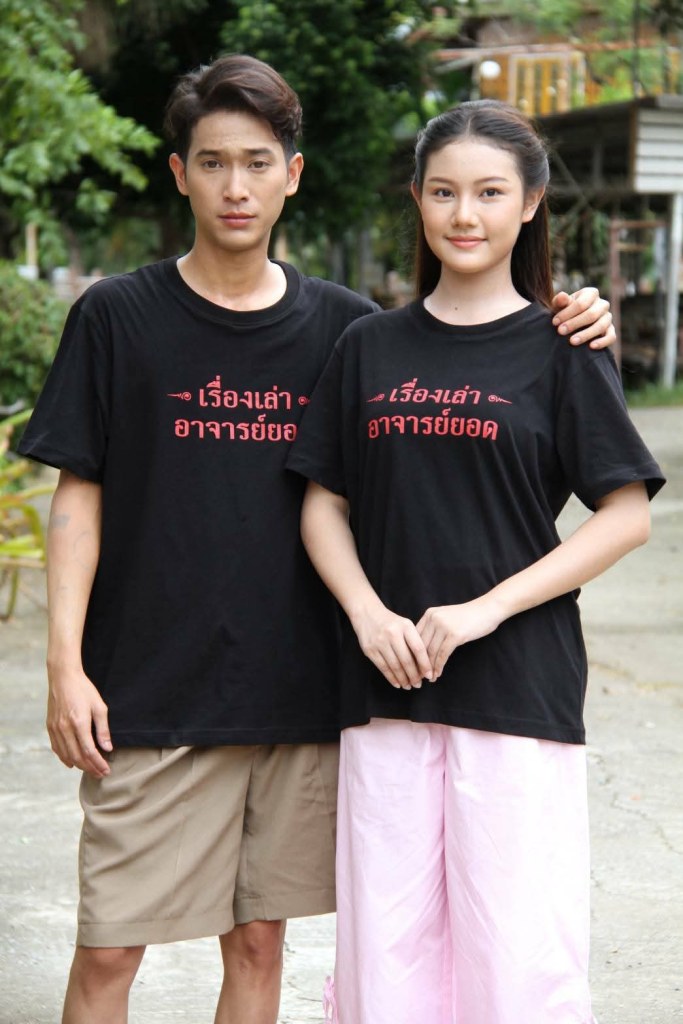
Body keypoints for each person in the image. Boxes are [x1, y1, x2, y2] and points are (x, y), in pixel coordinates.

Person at [18, 52, 615, 1024]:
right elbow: (77, 498)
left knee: (261, 945)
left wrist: (574, 312)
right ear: (178, 174)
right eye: (213, 163)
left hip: (304, 695)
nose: (235, 186)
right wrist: (64, 664)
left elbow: (459, 368)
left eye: (257, 163)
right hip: (149, 690)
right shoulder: (118, 316)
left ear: (292, 174)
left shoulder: (345, 328)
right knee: (110, 951)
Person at [286, 99, 665, 1024]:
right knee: (385, 954)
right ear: (417, 199)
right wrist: (368, 614)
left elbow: (624, 516)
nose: (465, 214)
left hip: (515, 687)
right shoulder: (368, 345)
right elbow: (323, 501)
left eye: (490, 192)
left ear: (529, 203)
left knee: (515, 956)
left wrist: (484, 609)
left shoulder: (563, 346)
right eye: (444, 192)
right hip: (385, 687)